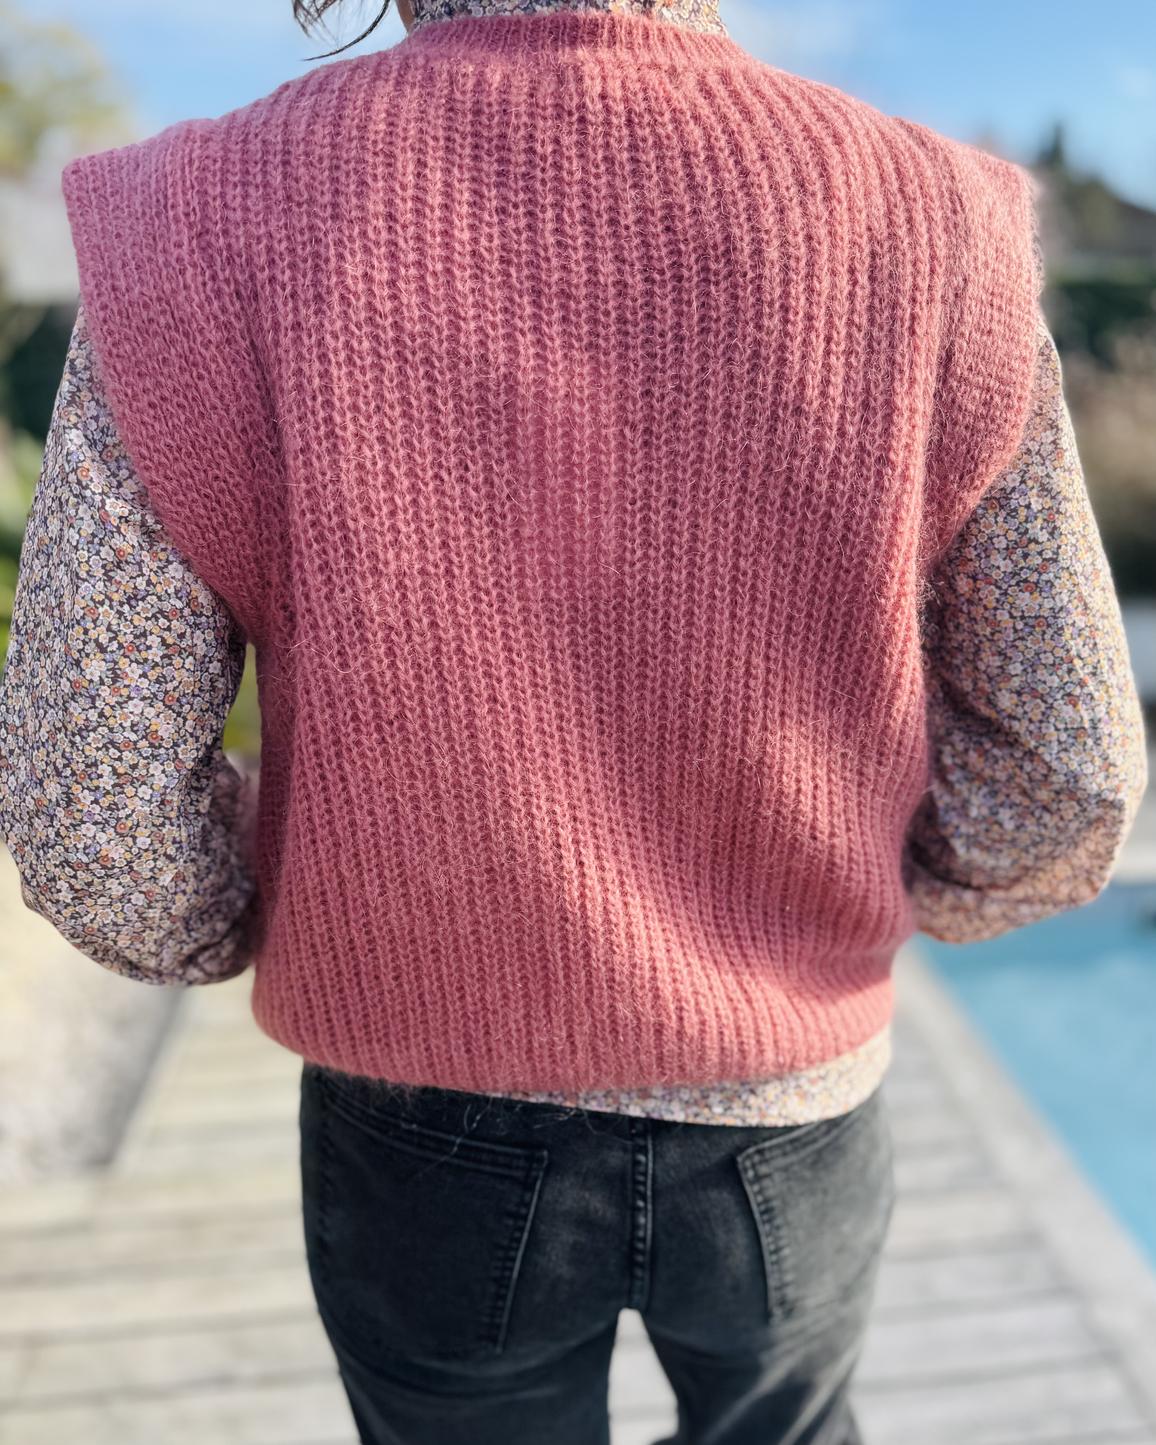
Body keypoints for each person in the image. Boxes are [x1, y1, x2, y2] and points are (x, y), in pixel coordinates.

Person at [0, 0, 1148, 1441]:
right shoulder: (937, 223)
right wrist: (864, 885)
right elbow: (1068, 766)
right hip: (790, 1097)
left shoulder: (191, 223)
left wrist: (267, 903)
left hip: (419, 1115)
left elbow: (93, 815)